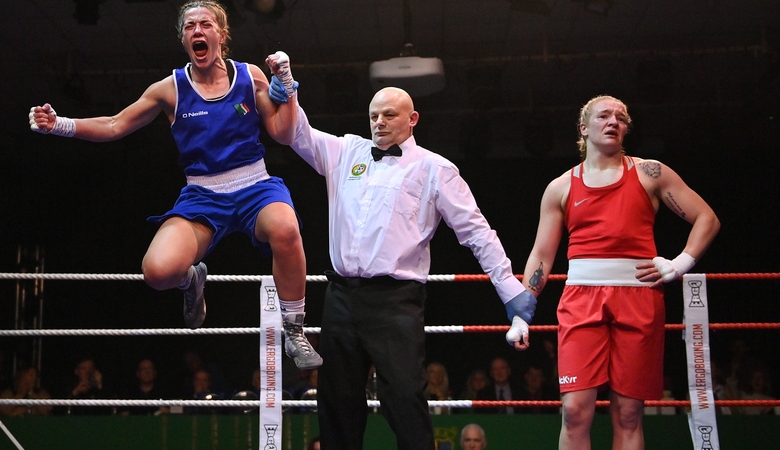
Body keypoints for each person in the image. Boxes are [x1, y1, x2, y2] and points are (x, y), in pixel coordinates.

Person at [27, 0, 320, 371]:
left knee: (286, 228)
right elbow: (116, 124)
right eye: (189, 26)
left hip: (254, 185)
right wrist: (61, 125)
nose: (197, 30)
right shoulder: (169, 89)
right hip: (202, 195)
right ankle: (190, 281)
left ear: (222, 34)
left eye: (205, 24)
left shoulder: (250, 76)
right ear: (183, 39)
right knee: (158, 272)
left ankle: (294, 330)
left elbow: (282, 132)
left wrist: (288, 86)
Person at [270, 65, 537, 448]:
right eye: (374, 115)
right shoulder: (346, 151)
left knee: (404, 399)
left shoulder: (434, 168)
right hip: (340, 297)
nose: (379, 121)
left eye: (389, 114)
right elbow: (299, 133)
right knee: (336, 403)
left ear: (413, 119)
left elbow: (477, 232)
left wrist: (509, 289)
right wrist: (288, 89)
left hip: (395, 301)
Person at [520, 95, 720, 449]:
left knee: (628, 414)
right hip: (581, 300)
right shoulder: (561, 187)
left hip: (639, 297)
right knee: (574, 411)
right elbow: (542, 255)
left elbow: (707, 218)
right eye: (604, 115)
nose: (614, 121)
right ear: (584, 128)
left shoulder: (650, 172)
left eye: (621, 117)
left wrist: (680, 263)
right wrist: (522, 310)